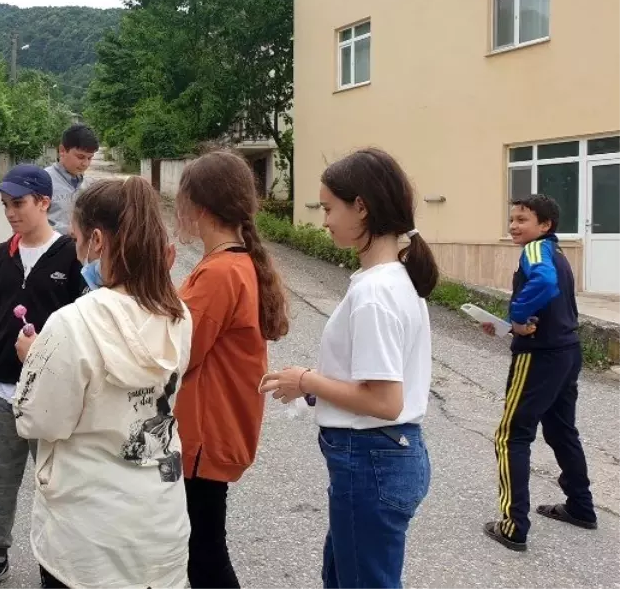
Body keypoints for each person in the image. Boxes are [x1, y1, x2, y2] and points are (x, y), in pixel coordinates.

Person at [259, 148, 436, 589]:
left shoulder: (375, 292)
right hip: (383, 455)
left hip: (371, 458)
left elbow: (384, 400)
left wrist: (307, 380)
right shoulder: (394, 280)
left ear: (362, 206)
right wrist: (312, 387)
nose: (324, 220)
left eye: (328, 207)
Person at [12, 178, 193, 589]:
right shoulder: (178, 314)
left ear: (96, 240)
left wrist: (34, 361)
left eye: (76, 239)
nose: (76, 251)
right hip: (160, 524)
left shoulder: (72, 323)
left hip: (87, 539)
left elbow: (37, 421)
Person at [0, 164, 86, 589]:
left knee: (54, 482)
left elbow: (85, 326)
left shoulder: (72, 256)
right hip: (1, 389)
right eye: (5, 205)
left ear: (44, 202)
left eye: (18, 203)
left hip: (49, 394)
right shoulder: (0, 256)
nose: (10, 212)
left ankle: (55, 563)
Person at [173, 150, 290, 589]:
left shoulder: (221, 272)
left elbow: (177, 352)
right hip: (214, 432)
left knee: (203, 554)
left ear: (200, 208)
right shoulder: (234, 262)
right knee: (200, 548)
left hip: (204, 436)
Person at [480, 194, 596, 552]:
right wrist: (513, 325)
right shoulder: (557, 254)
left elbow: (543, 284)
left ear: (544, 226)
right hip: (567, 352)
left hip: (539, 358)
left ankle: (513, 527)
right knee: (562, 431)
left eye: (522, 219)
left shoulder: (535, 251)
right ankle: (580, 506)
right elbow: (552, 295)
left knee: (510, 435)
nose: (514, 225)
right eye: (511, 219)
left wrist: (516, 315)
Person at [45, 124, 99, 237]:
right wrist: (67, 231)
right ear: (62, 150)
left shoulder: (89, 184)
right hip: (51, 252)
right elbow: (30, 223)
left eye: (90, 158)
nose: (85, 164)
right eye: (80, 157)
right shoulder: (43, 180)